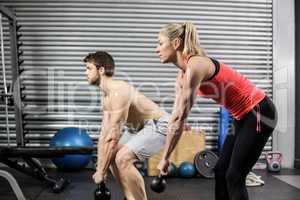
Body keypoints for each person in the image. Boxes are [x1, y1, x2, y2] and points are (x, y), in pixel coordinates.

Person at [155, 22, 277, 200]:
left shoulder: (195, 65)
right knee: (220, 171)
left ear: (175, 44)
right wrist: (165, 157)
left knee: (234, 176)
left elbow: (181, 117)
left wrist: (165, 157)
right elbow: (175, 118)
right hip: (242, 116)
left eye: (160, 43)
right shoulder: (181, 77)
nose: (156, 49)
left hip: (259, 111)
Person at [84, 51, 170, 200]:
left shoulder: (119, 91)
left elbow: (113, 136)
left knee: (122, 158)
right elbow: (104, 134)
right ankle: (130, 197)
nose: (85, 73)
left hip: (158, 124)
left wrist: (101, 173)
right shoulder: (106, 97)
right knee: (111, 157)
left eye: (88, 68)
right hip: (137, 129)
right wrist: (100, 168)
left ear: (101, 70)